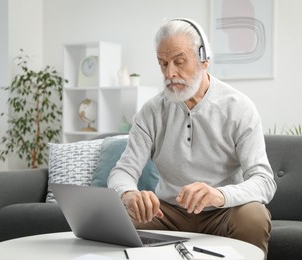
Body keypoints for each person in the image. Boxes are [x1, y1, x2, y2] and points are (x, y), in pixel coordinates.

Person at [108, 18, 277, 257]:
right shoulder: (151, 112)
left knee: (254, 215)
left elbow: (263, 181)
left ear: (204, 59)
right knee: (119, 218)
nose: (170, 73)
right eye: (163, 63)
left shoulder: (239, 107)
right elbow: (122, 171)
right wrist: (129, 194)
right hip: (167, 214)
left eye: (179, 61)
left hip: (222, 211)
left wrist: (219, 195)